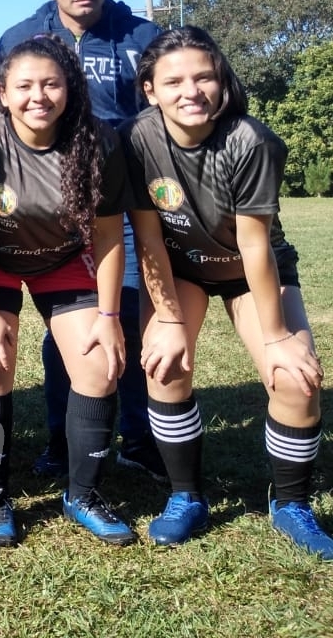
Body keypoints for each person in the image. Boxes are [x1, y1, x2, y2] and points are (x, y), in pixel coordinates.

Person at [122, 27, 332, 557]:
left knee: (295, 379)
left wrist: (280, 335)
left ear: (221, 81)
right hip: (182, 269)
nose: (191, 90)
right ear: (150, 90)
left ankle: (292, 505)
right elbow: (147, 235)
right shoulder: (134, 138)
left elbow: (254, 246)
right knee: (164, 365)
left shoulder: (252, 141)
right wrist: (167, 321)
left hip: (249, 269)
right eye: (173, 81)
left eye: (204, 76)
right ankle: (186, 496)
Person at [0, 34, 136, 545]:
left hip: (60, 261)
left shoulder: (97, 139)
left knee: (99, 367)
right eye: (25, 86)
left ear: (70, 90)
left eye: (51, 84)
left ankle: (83, 494)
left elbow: (106, 234)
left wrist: (109, 315)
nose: (39, 96)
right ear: (3, 93)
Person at [0, 0, 165, 482]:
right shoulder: (22, 37)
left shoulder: (141, 36)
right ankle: (58, 439)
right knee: (63, 330)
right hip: (51, 210)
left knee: (131, 318)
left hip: (123, 203)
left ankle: (139, 440)